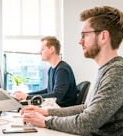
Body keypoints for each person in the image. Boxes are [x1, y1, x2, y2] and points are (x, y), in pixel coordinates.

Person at [21, 6, 123, 136]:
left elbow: (86, 123)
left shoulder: (117, 72)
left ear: (103, 36)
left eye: (84, 35)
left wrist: (46, 121)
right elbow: (86, 108)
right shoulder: (106, 69)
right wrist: (46, 112)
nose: (80, 41)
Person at [14, 36, 78, 107]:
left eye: (42, 49)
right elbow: (48, 91)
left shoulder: (62, 70)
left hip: (62, 110)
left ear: (52, 49)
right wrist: (28, 95)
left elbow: (56, 96)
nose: (40, 52)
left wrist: (27, 97)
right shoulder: (52, 69)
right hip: (54, 107)